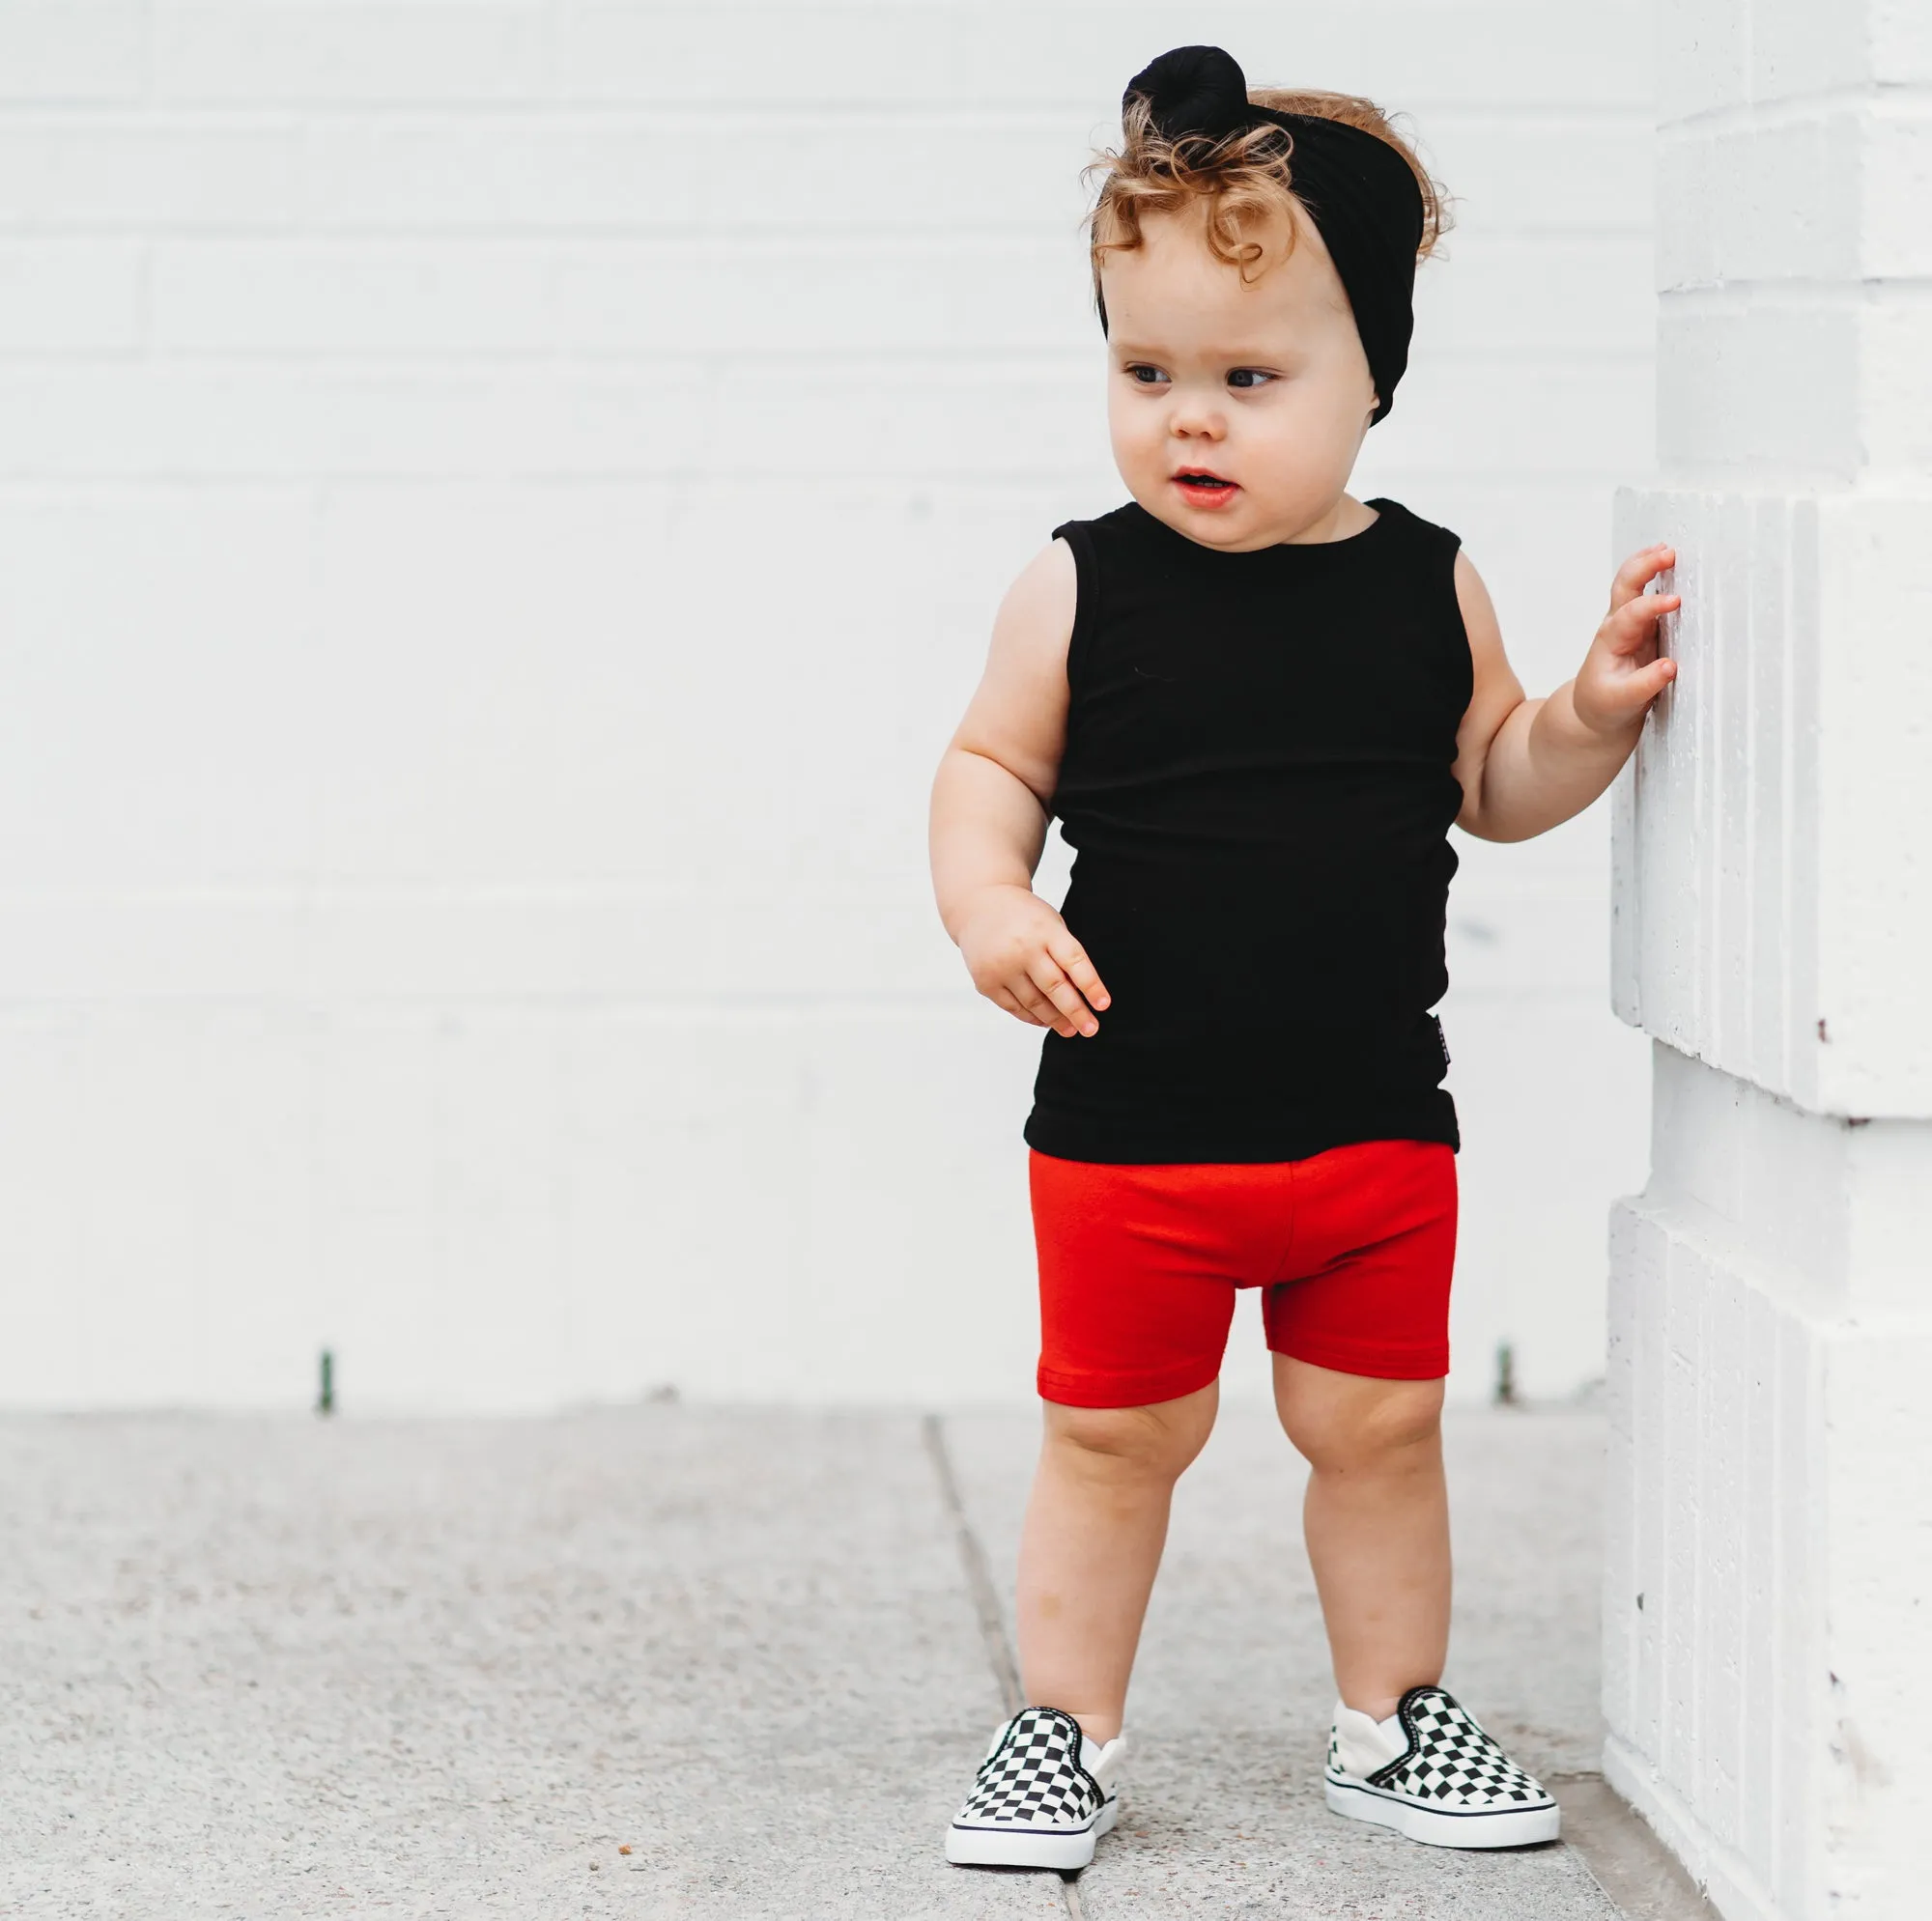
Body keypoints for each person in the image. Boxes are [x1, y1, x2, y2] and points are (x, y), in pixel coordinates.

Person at [925, 44, 1679, 1874]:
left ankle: (1392, 1721)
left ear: (1370, 384)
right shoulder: (1079, 585)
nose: (1190, 418)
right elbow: (987, 770)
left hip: (1368, 1132)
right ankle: (1064, 1731)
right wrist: (992, 907)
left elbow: (1495, 782)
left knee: (1383, 1430)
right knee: (1118, 1443)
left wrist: (1585, 709)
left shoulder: (1426, 585)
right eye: (1146, 370)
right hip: (1132, 1130)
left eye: (1248, 379)